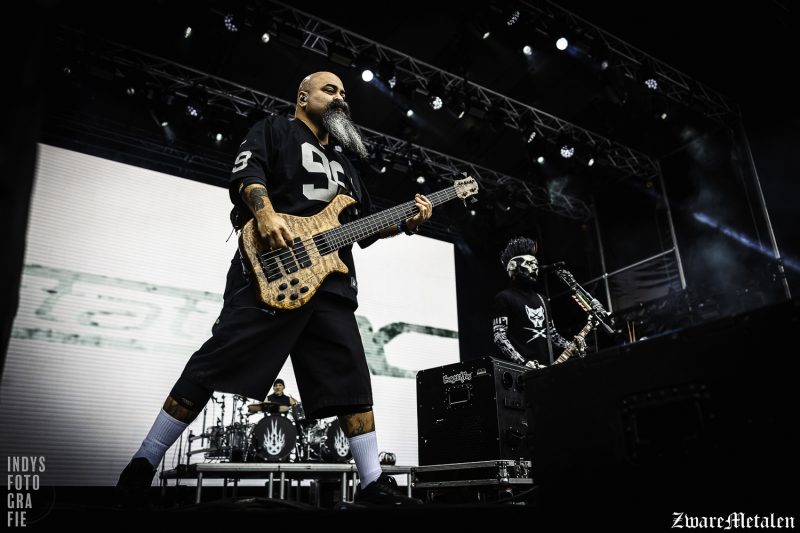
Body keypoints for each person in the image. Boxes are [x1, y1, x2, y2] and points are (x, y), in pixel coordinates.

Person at [117, 71, 431, 506]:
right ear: (302, 96)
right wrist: (264, 212)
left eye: (344, 93)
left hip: (331, 287)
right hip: (272, 268)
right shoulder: (274, 129)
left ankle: (372, 482)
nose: (340, 97)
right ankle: (144, 461)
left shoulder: (347, 165)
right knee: (213, 362)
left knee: (353, 383)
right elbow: (249, 173)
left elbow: (363, 229)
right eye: (330, 90)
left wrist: (405, 224)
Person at [491, 237, 585, 369]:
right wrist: (523, 362)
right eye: (529, 263)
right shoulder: (504, 297)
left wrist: (572, 346)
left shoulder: (543, 299)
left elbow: (553, 336)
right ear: (512, 266)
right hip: (521, 371)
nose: (535, 267)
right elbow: (499, 337)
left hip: (546, 369)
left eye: (536, 263)